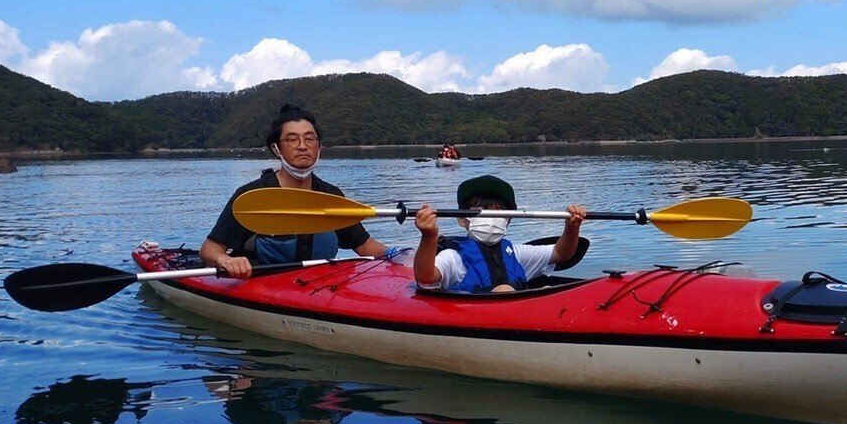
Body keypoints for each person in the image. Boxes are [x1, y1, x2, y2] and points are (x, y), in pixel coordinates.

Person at [200, 103, 394, 278]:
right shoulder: (252, 195)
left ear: (319, 146)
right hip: (260, 284)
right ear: (277, 149)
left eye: (310, 139)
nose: (303, 146)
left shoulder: (329, 195)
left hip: (319, 285)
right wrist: (225, 260)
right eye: (292, 140)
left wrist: (401, 253)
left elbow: (365, 246)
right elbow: (210, 249)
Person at [413, 173, 586, 294]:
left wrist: (572, 227)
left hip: (518, 314)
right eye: (480, 210)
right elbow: (425, 277)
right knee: (504, 290)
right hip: (474, 317)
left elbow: (561, 253)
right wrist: (429, 237)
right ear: (462, 220)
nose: (490, 218)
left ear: (508, 220)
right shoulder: (454, 257)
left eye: (498, 212)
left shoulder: (517, 253)